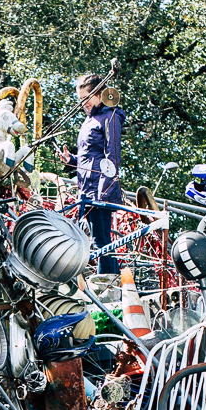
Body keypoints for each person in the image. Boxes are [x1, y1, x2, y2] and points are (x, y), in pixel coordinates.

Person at [66, 65, 124, 273]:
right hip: (87, 189)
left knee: (102, 241)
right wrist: (71, 160)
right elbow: (89, 158)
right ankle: (109, 280)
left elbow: (112, 157)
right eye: (80, 99)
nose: (84, 103)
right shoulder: (89, 121)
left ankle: (107, 282)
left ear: (99, 94)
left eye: (87, 98)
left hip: (100, 190)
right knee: (98, 240)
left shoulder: (110, 117)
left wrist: (103, 193)